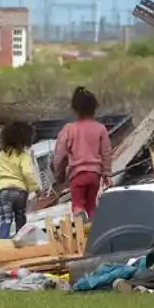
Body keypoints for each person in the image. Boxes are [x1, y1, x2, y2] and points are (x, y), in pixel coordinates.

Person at [52, 86, 112, 221]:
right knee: (91, 207)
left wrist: (58, 171)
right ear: (94, 108)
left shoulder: (69, 129)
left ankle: (80, 223)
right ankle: (91, 234)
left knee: (78, 205)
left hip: (77, 175)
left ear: (75, 109)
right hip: (95, 175)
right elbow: (106, 153)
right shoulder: (100, 129)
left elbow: (59, 154)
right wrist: (107, 173)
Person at [0, 122, 40, 239]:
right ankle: (21, 241)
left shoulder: (2, 154)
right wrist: (36, 188)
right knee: (20, 217)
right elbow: (27, 173)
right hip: (20, 191)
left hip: (4, 191)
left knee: (6, 218)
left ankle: (3, 242)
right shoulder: (24, 156)